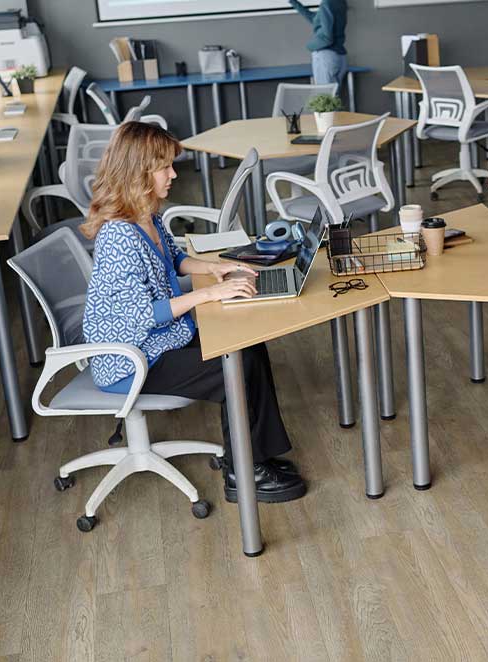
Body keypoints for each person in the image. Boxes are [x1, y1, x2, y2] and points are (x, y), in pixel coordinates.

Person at [80, 121, 307, 504]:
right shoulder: (118, 235)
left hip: (158, 341)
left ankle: (257, 455)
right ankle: (242, 471)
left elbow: (175, 257)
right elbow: (141, 315)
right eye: (164, 167)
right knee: (233, 368)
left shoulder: (145, 216)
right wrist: (210, 294)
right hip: (130, 358)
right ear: (138, 173)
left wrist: (213, 269)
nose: (172, 174)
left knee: (247, 346)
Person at [290, 0, 348, 88]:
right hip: (339, 57)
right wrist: (294, 2)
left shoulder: (327, 3)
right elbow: (316, 19)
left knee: (324, 97)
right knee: (332, 98)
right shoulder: (340, 2)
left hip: (326, 57)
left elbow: (327, 38)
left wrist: (310, 46)